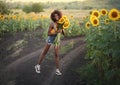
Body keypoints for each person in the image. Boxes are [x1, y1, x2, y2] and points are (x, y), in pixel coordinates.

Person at [35, 10, 65, 75]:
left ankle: (57, 70)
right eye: (55, 16)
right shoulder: (52, 24)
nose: (56, 16)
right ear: (53, 17)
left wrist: (62, 28)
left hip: (57, 41)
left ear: (60, 16)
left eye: (57, 15)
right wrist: (55, 32)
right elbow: (48, 33)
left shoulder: (61, 23)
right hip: (50, 39)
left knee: (56, 55)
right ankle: (38, 65)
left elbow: (64, 33)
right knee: (44, 53)